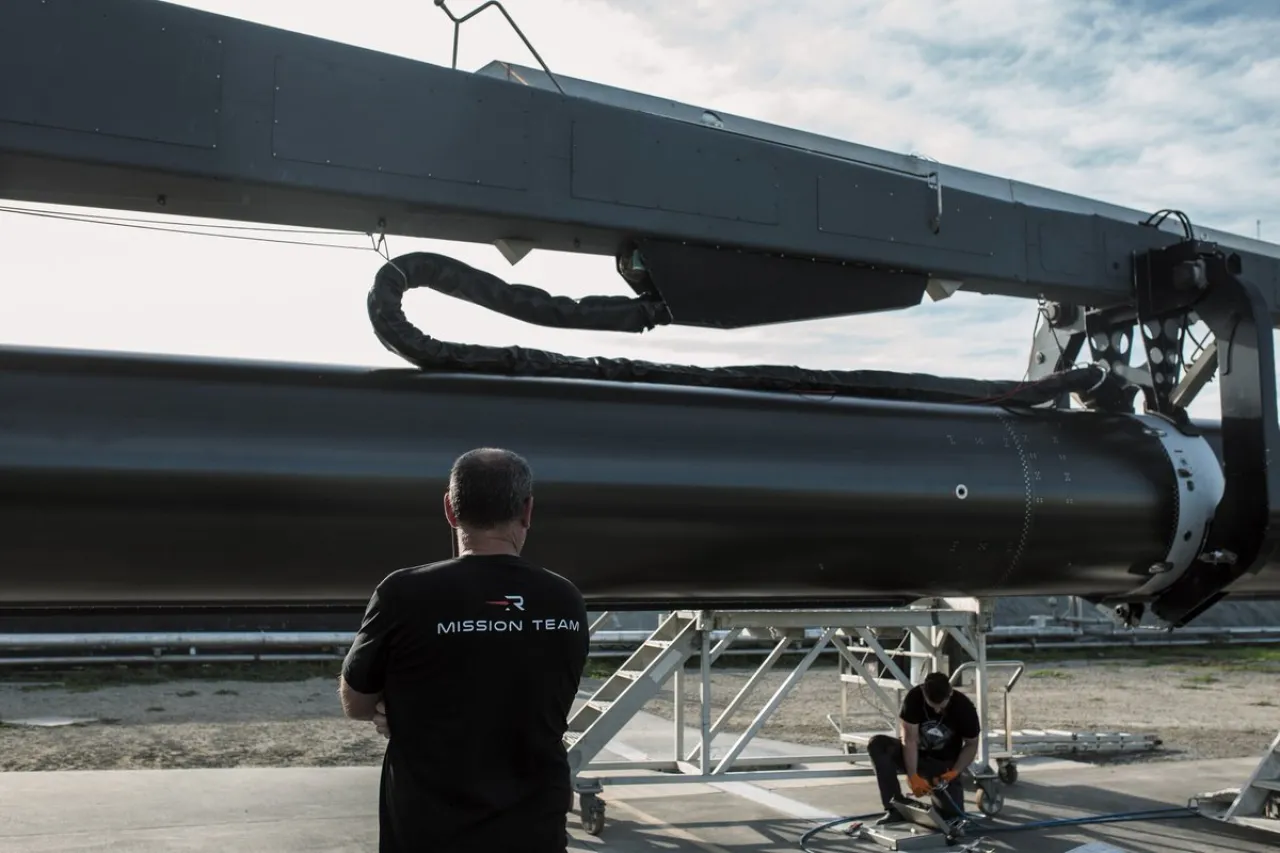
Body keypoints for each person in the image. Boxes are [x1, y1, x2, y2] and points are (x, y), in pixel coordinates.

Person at [338, 447, 590, 853]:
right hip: (534, 829)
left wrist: (398, 708)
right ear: (527, 511)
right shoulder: (565, 599)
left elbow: (356, 703)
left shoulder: (403, 593)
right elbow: (537, 694)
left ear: (449, 510)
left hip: (428, 832)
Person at [866, 672, 981, 826]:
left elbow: (972, 744)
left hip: (943, 765)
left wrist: (955, 771)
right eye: (933, 706)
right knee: (878, 745)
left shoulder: (964, 708)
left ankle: (945, 807)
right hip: (916, 755)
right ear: (924, 694)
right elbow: (910, 740)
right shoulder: (915, 698)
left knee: (951, 819)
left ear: (950, 694)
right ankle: (894, 808)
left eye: (941, 706)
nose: (937, 711)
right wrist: (913, 775)